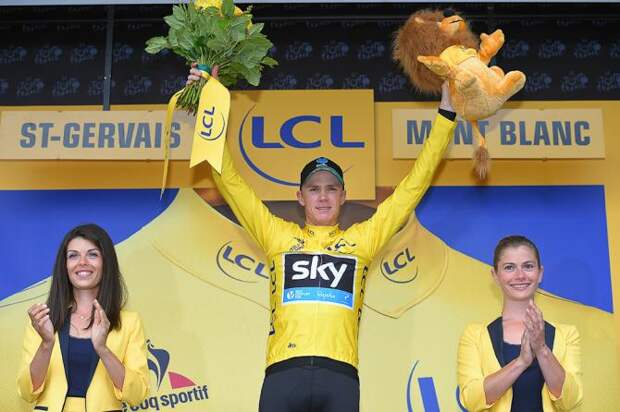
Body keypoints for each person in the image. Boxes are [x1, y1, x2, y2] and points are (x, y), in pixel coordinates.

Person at [188, 64, 457, 411]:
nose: (323, 197)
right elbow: (229, 181)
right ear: (300, 197)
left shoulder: (362, 240)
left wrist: (446, 113)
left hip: (340, 376)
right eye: (314, 189)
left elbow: (412, 188)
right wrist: (207, 104)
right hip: (283, 374)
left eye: (331, 189)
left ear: (344, 196)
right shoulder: (278, 237)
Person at [16, 224, 149, 412]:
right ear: (65, 265)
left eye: (92, 254)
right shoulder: (42, 321)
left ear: (106, 262)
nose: (82, 262)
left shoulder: (129, 322)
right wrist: (46, 345)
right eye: (73, 255)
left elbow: (137, 394)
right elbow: (26, 392)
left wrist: (103, 349)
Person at [457, 235, 583, 411]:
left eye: (528, 266)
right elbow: (471, 399)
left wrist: (541, 349)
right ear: (495, 275)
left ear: (540, 273)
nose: (520, 275)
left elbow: (570, 400)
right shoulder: (475, 335)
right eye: (509, 268)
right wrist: (521, 362)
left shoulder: (567, 334)